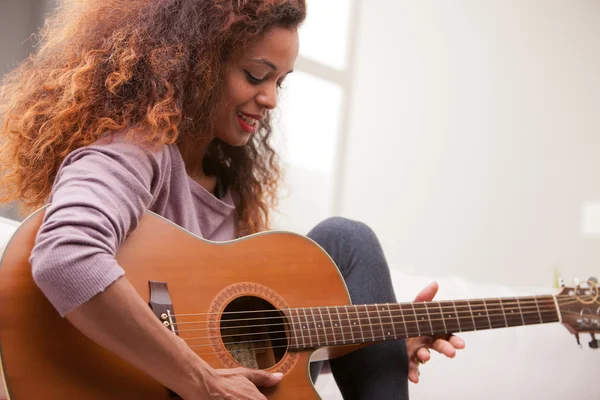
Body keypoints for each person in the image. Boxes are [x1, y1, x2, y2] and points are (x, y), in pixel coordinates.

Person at [0, 1, 465, 399]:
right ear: (193, 61)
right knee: (348, 238)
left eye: (279, 82)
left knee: (344, 245)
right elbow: (65, 255)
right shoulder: (137, 150)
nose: (270, 100)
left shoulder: (227, 190)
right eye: (256, 75)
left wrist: (376, 350)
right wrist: (199, 380)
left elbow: (245, 360)